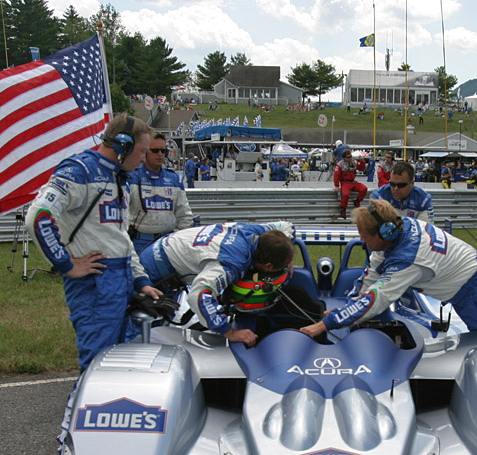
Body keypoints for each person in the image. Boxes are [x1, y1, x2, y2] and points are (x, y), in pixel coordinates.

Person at [26, 114, 162, 371]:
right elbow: (38, 216)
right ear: (124, 146)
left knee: (121, 362)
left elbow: (119, 237)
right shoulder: (79, 171)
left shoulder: (120, 178)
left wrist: (140, 280)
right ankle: (79, 410)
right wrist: (66, 264)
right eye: (142, 151)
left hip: (121, 280)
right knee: (97, 366)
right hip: (96, 283)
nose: (144, 158)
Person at [299, 199, 477, 338]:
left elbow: (377, 299)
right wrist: (349, 306)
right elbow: (371, 273)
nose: (362, 241)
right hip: (470, 285)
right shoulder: (399, 227)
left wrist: (325, 325)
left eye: (365, 237)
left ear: (384, 233)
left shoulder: (409, 259)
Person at [139, 222, 297, 347]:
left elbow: (286, 226)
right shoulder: (231, 264)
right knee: (143, 329)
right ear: (268, 266)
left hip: (170, 248)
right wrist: (229, 332)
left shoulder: (256, 231)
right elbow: (198, 296)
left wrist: (287, 249)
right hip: (153, 271)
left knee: (159, 325)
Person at [127, 132, 195, 255]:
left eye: (163, 151)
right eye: (155, 150)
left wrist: (185, 244)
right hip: (138, 242)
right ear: (146, 152)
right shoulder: (132, 177)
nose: (160, 154)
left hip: (167, 243)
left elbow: (184, 216)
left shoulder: (175, 179)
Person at [369, 160, 434, 222]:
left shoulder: (424, 199)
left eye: (401, 185)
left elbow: (426, 229)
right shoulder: (378, 197)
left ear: (412, 183)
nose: (396, 188)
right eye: (392, 184)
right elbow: (372, 227)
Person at [333, 149, 367, 219]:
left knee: (364, 188)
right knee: (345, 195)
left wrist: (362, 161)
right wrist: (336, 186)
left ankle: (357, 201)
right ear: (344, 158)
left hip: (353, 181)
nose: (350, 158)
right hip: (345, 182)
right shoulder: (340, 165)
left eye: (351, 156)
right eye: (348, 157)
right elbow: (336, 176)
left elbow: (362, 168)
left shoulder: (354, 162)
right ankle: (343, 210)